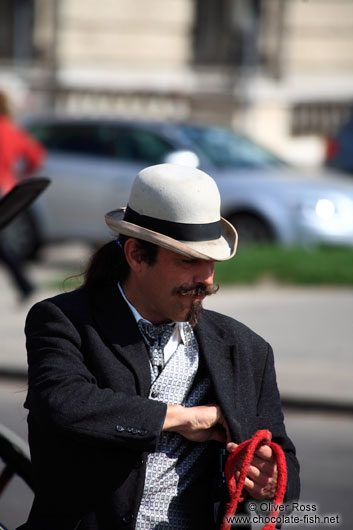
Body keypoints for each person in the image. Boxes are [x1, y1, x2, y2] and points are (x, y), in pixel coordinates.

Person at [18, 164, 300, 530]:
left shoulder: (247, 350)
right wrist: (182, 418)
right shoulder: (62, 321)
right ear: (136, 255)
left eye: (211, 261)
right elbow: (64, 402)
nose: (207, 279)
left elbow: (285, 467)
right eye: (188, 261)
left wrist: (272, 482)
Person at [0, 90, 45, 299]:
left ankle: (24, 284)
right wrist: (21, 174)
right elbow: (37, 156)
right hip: (6, 190)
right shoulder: (12, 130)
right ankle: (24, 284)